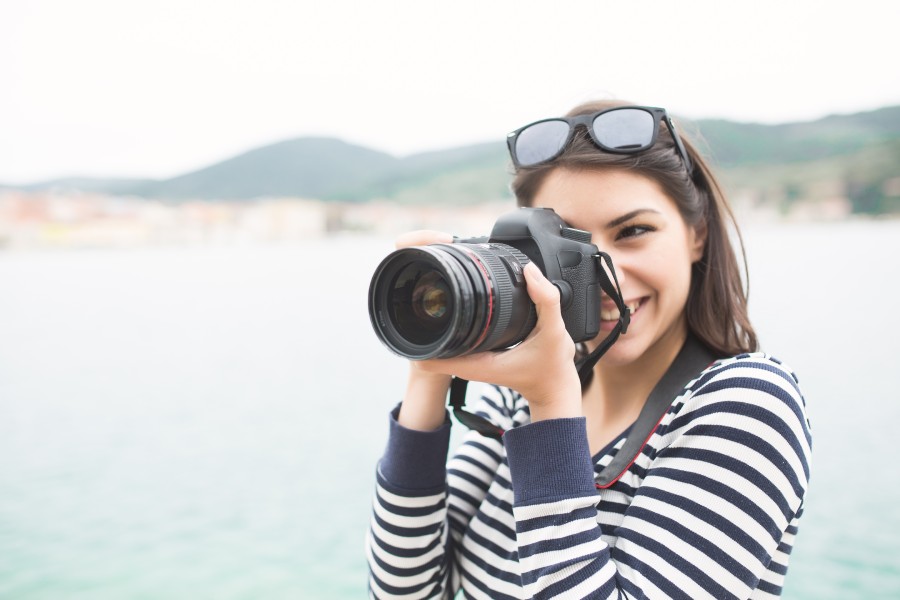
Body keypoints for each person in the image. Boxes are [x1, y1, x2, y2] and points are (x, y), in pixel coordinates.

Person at [365, 100, 812, 599]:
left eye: (633, 232)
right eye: (567, 246)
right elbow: (405, 592)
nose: (604, 277)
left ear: (697, 235)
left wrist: (551, 403)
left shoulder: (747, 404)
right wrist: (431, 365)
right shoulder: (515, 405)